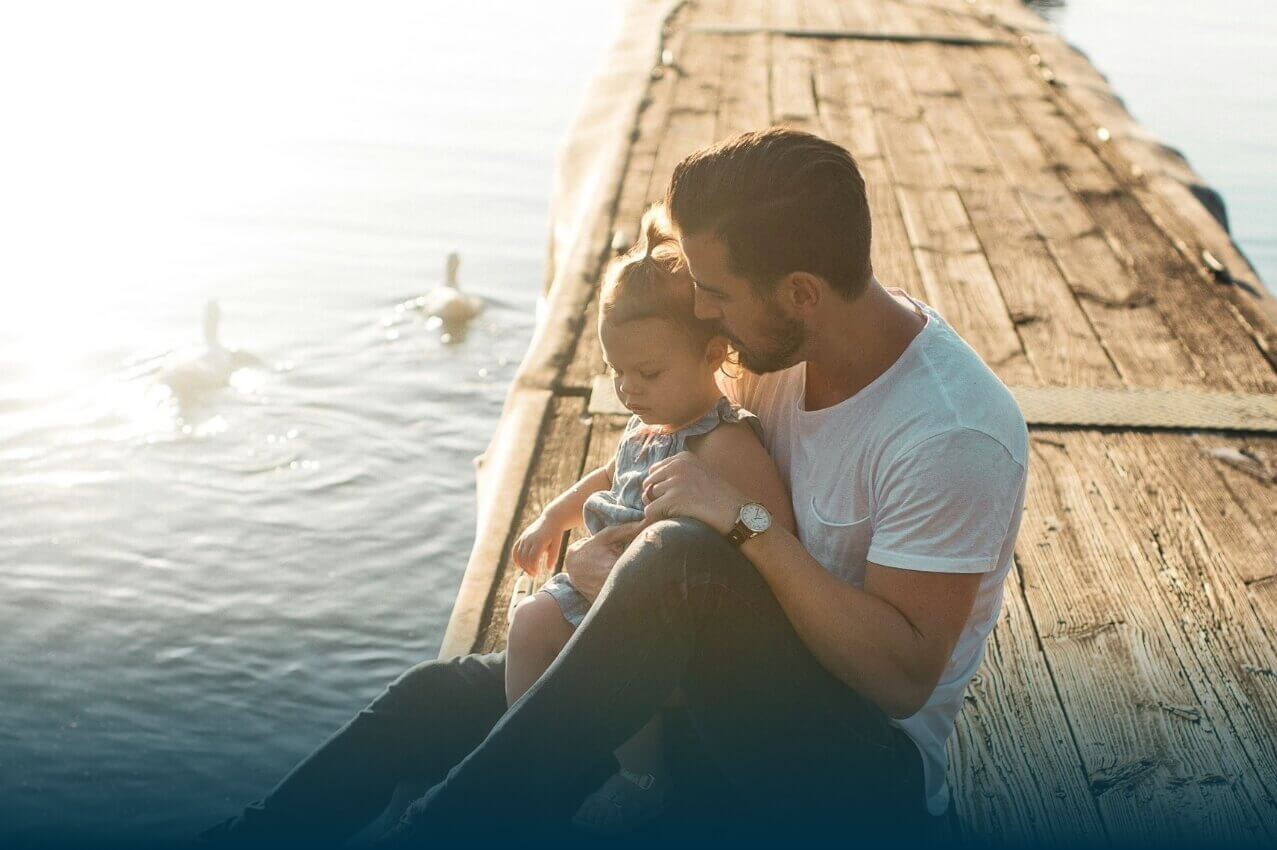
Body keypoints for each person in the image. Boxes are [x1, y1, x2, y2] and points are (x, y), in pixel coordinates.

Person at [199, 127, 1027, 846]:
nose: (700, 311)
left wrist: (739, 527)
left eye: (715, 293)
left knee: (678, 568)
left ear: (800, 294)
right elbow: (673, 454)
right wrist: (615, 564)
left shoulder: (950, 433)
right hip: (703, 686)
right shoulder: (780, 352)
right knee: (432, 702)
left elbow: (899, 676)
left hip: (853, 779)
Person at [503, 206, 795, 835]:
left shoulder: (722, 443)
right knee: (528, 623)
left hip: (662, 610)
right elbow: (609, 474)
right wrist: (556, 516)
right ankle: (538, 759)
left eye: (649, 372)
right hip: (604, 582)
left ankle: (643, 778)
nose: (629, 390)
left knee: (612, 671)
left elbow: (774, 533)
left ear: (715, 352)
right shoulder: (649, 423)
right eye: (617, 374)